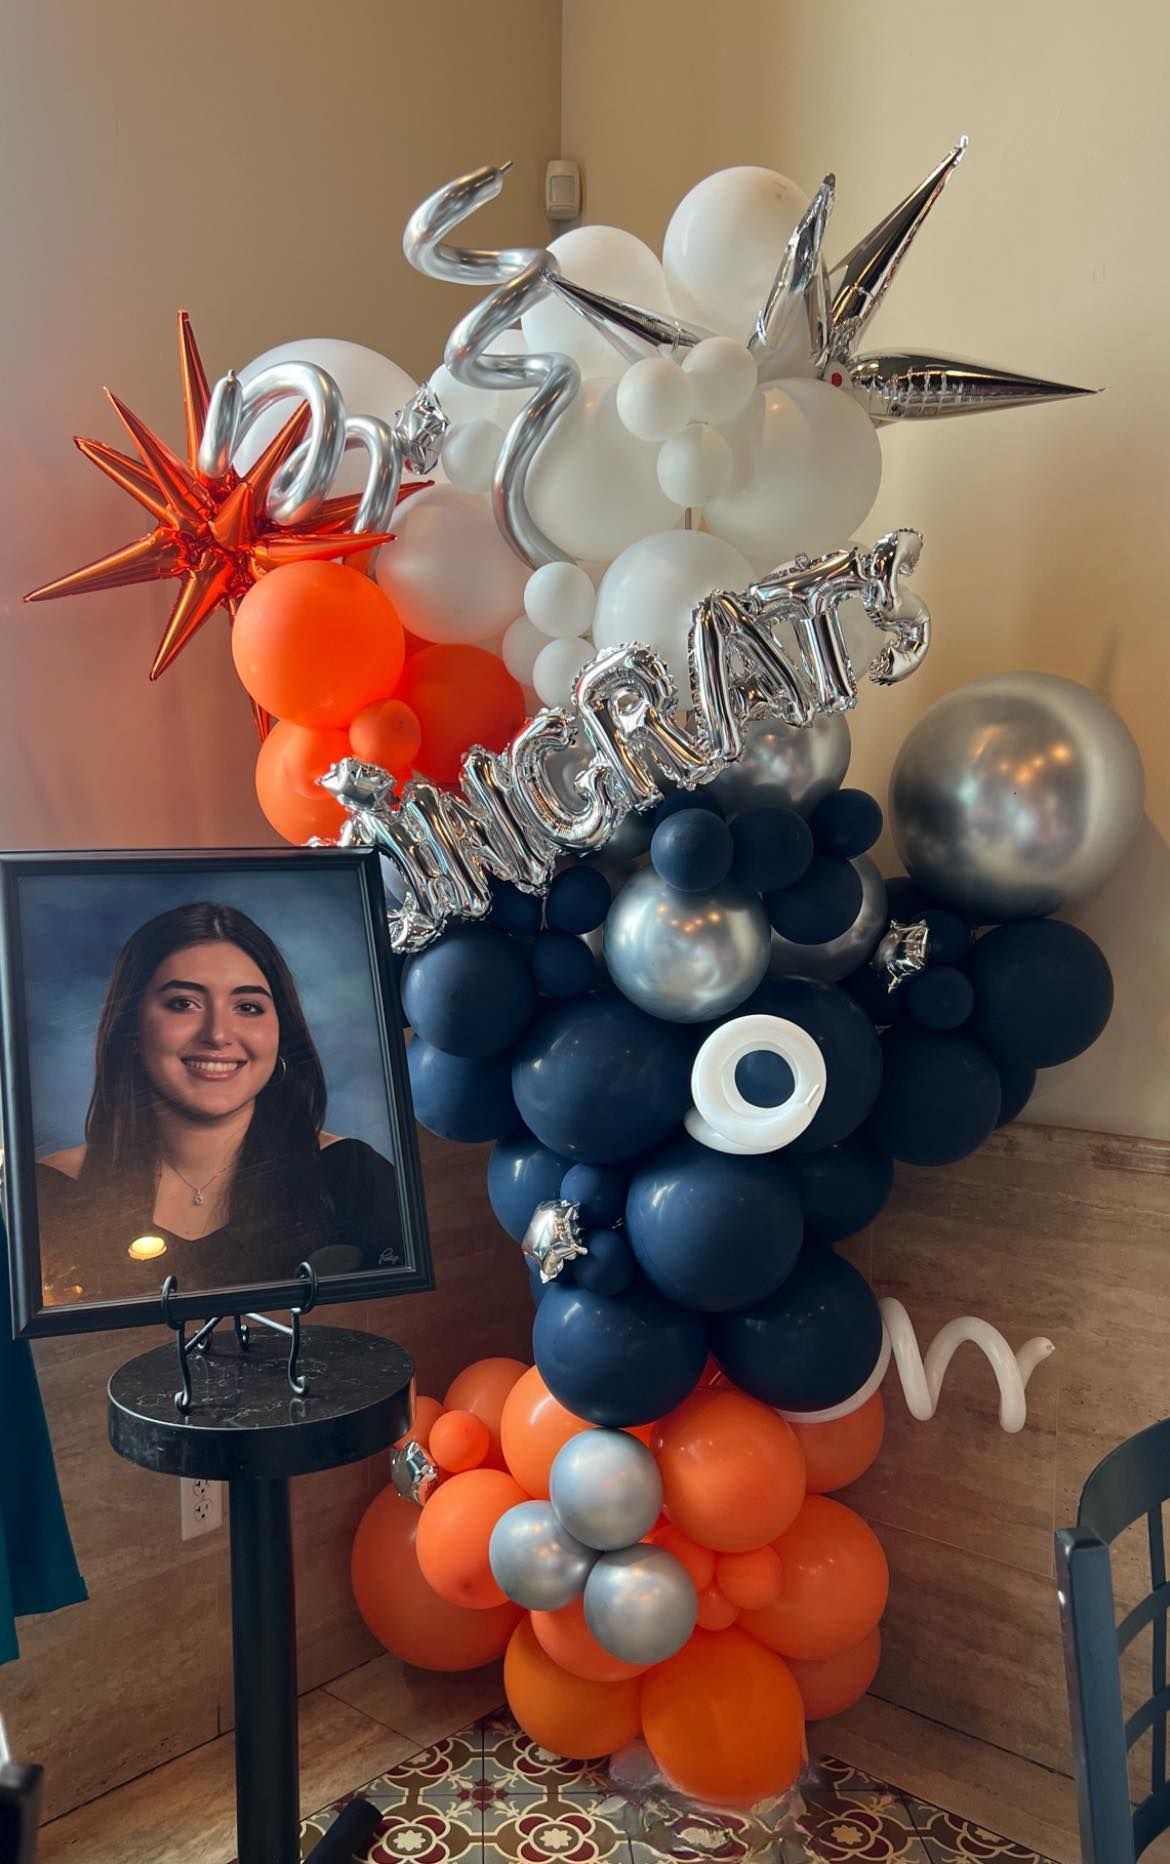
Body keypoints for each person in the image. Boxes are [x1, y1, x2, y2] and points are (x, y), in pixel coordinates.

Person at [36, 901, 403, 1304]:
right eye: (183, 1003)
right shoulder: (47, 1194)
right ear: (132, 1028)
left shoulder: (353, 1178)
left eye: (248, 1007)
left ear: (280, 1032)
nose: (217, 1034)